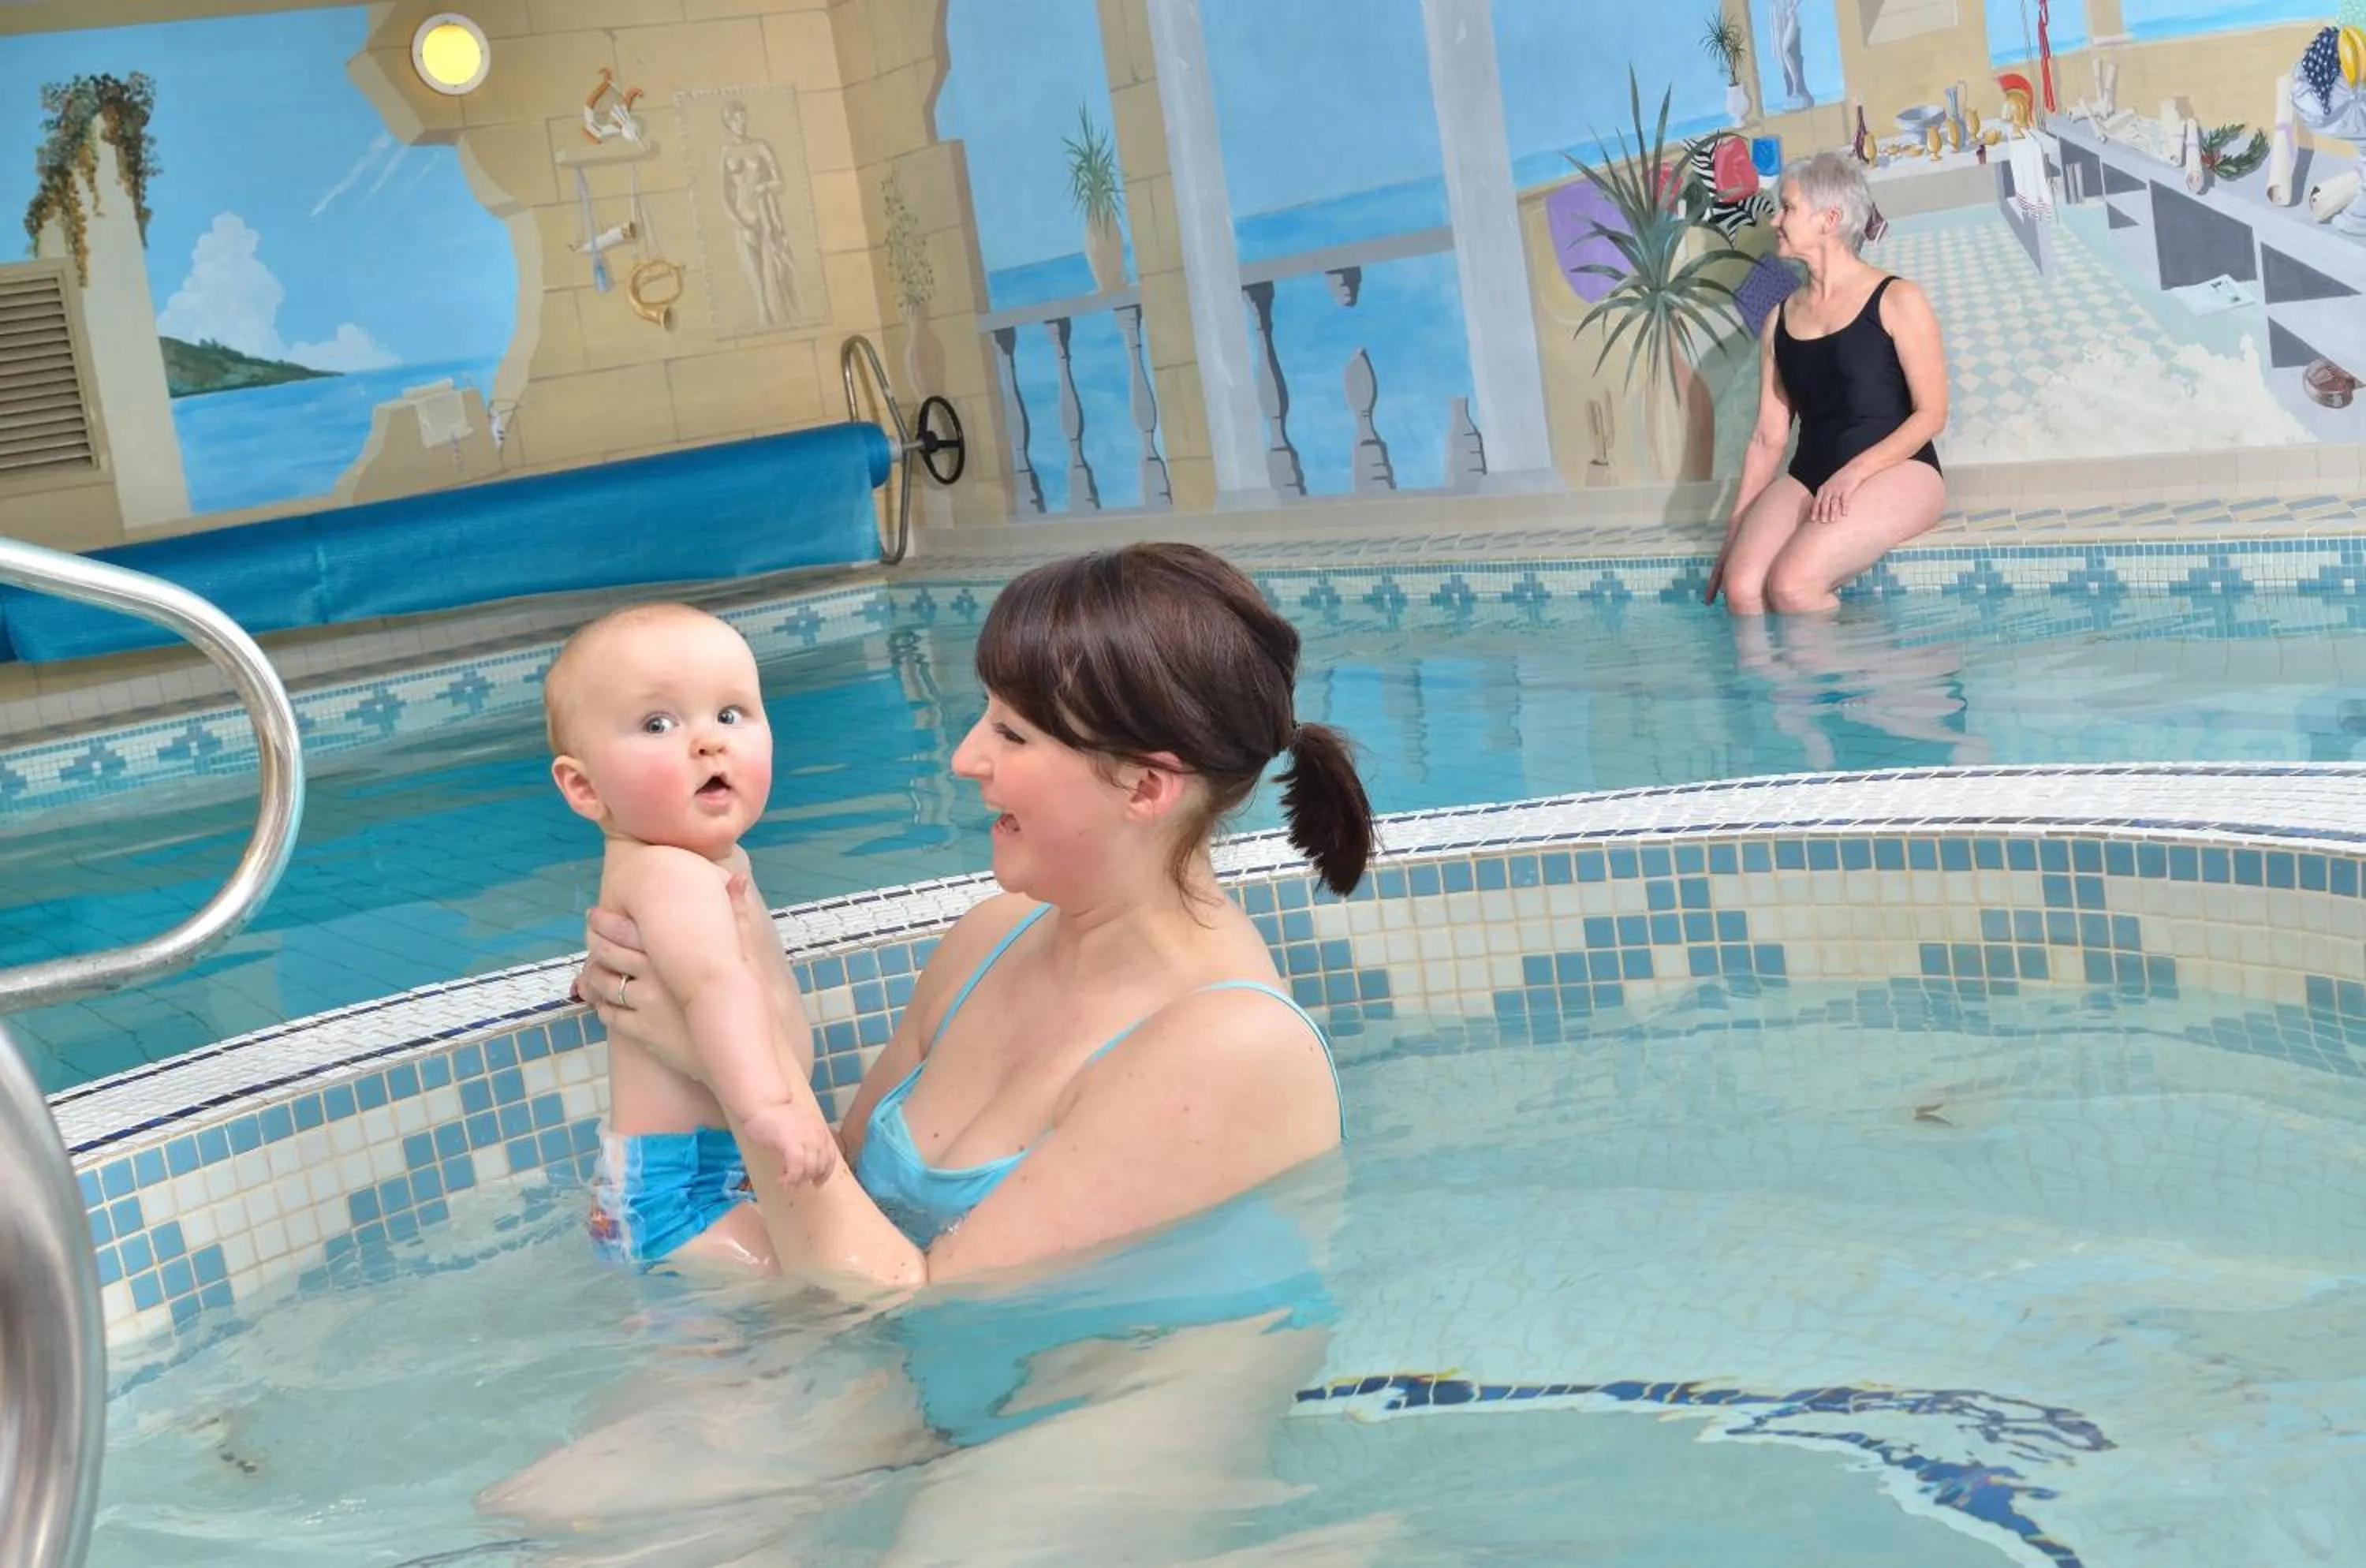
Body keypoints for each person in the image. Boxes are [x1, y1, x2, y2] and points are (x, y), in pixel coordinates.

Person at [573, 541, 1376, 1291]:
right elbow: (836, 1190)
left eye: (1011, 733)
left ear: (1143, 787)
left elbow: (918, 1313)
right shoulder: (994, 936)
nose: (964, 757)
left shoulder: (1229, 1051)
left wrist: (717, 1061)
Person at [544, 603, 838, 1274]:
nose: (709, 742)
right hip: (683, 1199)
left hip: (696, 1183)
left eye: (731, 714)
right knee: (824, 1292)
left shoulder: (694, 863)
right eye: (658, 724)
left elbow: (683, 964)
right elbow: (714, 984)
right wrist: (770, 1109)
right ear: (585, 788)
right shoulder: (671, 874)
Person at [1709, 151, 1949, 616]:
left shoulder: (1898, 298)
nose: (1775, 219)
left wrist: (1855, 474)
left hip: (1899, 471)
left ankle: (1848, 687)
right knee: (1741, 588)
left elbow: (1932, 414)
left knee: (1792, 585)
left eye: (1788, 207)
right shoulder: (1780, 317)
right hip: (1810, 474)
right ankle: (1777, 691)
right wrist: (1733, 534)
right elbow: (1767, 437)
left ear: (1829, 219)